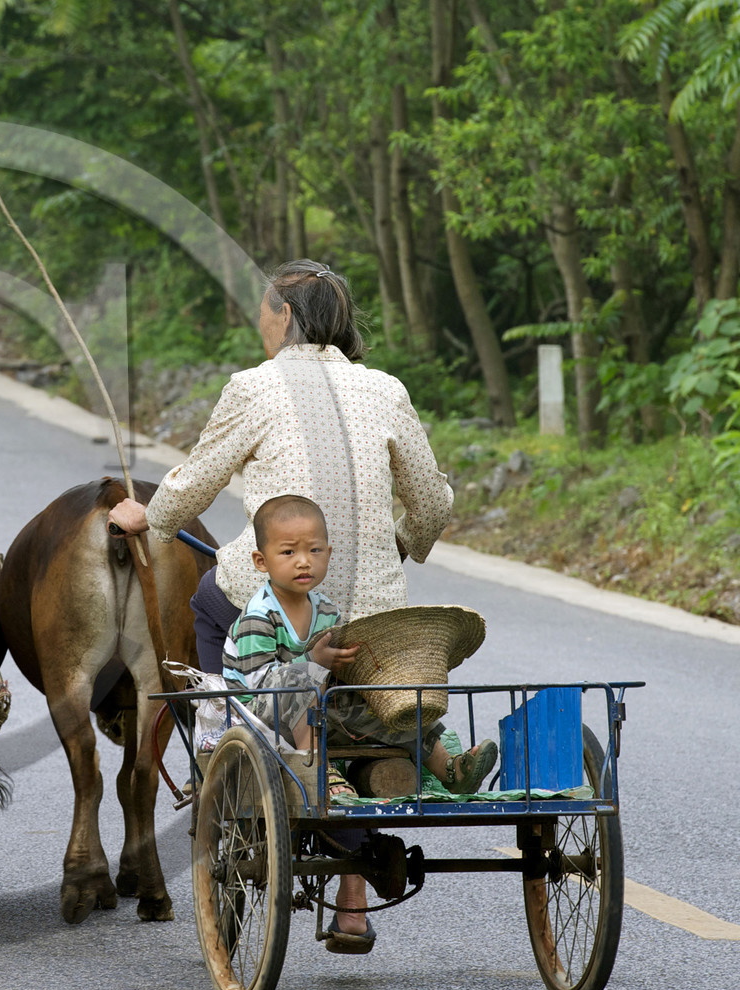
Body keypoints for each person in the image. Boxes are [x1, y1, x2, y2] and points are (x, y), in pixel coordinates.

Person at [107, 259, 454, 678]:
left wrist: (153, 517)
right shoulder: (386, 390)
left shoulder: (256, 386)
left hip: (285, 603)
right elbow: (433, 506)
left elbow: (195, 483)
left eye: (262, 315)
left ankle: (227, 720)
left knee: (208, 597)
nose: (260, 326)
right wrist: (392, 547)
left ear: (284, 315)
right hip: (375, 616)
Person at [222, 493, 498, 953]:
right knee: (300, 699)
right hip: (264, 716)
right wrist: (313, 661)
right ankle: (323, 775)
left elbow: (342, 678)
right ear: (261, 560)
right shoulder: (258, 618)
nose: (302, 562)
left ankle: (449, 767)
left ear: (328, 554)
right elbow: (261, 687)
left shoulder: (328, 611)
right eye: (287, 552)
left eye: (314, 550)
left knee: (388, 704)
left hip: (321, 709)